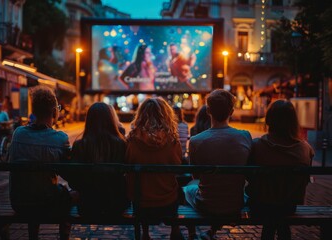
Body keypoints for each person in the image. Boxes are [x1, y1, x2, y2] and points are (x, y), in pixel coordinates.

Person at [183, 89, 252, 239]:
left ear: (208, 110)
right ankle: (210, 231)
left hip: (206, 204)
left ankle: (192, 234)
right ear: (232, 111)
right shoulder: (245, 136)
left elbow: (195, 175)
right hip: (235, 203)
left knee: (187, 189)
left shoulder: (195, 141)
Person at [8, 86, 73, 240]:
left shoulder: (18, 134)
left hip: (19, 202)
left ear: (34, 111)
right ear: (54, 111)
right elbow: (69, 173)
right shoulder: (60, 138)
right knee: (71, 195)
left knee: (35, 188)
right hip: (46, 203)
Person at [246, 100, 314, 240]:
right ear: (293, 121)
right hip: (289, 205)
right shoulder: (305, 149)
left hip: (260, 204)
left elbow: (248, 175)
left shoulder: (257, 146)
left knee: (271, 216)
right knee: (280, 216)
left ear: (269, 119)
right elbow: (306, 179)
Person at [126, 98, 184, 240]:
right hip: (167, 202)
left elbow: (127, 165)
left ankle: (145, 233)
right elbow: (177, 168)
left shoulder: (133, 139)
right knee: (179, 187)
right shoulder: (172, 140)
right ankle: (174, 230)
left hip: (141, 202)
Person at [68, 102, 129, 217]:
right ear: (112, 119)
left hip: (88, 205)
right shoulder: (122, 144)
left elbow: (73, 181)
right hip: (117, 205)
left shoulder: (80, 145)